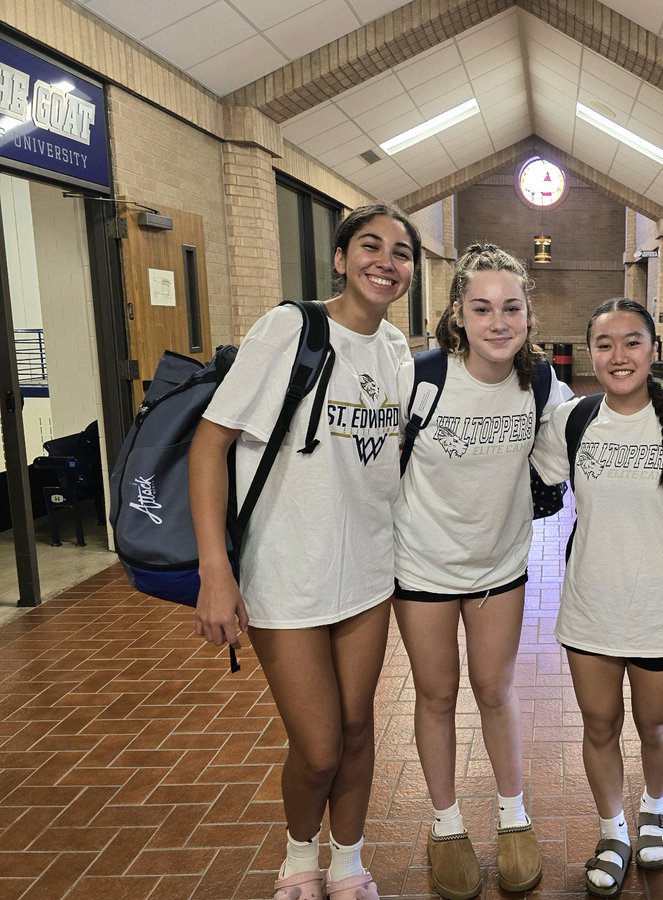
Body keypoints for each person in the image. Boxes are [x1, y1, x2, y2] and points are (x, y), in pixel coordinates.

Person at [190, 203, 419, 900]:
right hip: (287, 571)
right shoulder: (291, 328)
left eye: (402, 252)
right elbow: (210, 443)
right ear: (343, 258)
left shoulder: (395, 350)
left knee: (356, 727)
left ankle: (347, 862)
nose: (387, 261)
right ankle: (297, 859)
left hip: (369, 571)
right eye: (371, 246)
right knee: (317, 744)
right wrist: (215, 570)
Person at [392, 243, 564, 900]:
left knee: (495, 691)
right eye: (482, 308)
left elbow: (561, 461)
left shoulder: (540, 383)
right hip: (422, 567)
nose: (499, 322)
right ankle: (445, 825)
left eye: (511, 308)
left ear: (528, 315)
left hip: (499, 567)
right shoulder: (423, 378)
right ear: (458, 314)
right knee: (436, 695)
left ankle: (514, 818)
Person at [530, 298, 663, 897]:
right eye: (605, 344)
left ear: (653, 349)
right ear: (589, 353)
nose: (618, 356)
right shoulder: (572, 420)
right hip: (592, 601)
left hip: (662, 605)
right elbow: (525, 482)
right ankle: (613, 829)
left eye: (632, 342)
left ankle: (654, 809)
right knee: (599, 723)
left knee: (654, 722)